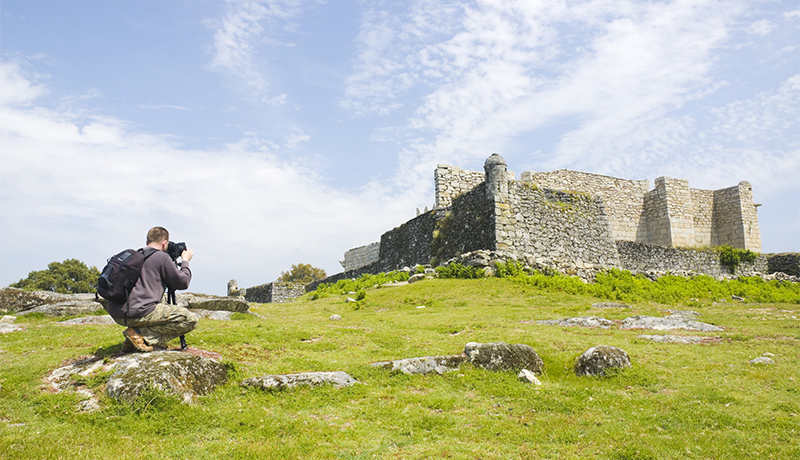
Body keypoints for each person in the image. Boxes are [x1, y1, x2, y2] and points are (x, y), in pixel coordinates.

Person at [106, 226, 199, 352]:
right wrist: (185, 261)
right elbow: (183, 282)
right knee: (190, 319)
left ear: (147, 242)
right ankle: (140, 335)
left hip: (117, 312)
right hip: (139, 312)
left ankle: (131, 341)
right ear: (164, 243)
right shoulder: (161, 257)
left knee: (156, 309)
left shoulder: (136, 255)